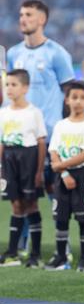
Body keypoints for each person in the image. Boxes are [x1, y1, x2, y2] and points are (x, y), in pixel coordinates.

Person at [6, 0, 75, 256]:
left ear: (42, 19)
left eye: (29, 14)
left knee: (54, 192)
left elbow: (70, 94)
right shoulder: (13, 53)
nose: (23, 18)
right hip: (21, 138)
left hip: (49, 134)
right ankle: (23, 247)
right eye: (21, 14)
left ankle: (63, 247)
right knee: (22, 196)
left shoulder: (57, 53)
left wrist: (64, 130)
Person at [45, 81, 84, 272]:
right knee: (61, 219)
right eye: (74, 97)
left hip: (82, 175)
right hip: (62, 177)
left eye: (83, 98)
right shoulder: (61, 125)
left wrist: (59, 166)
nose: (78, 102)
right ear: (67, 100)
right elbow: (54, 151)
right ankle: (60, 256)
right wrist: (63, 172)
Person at [0, 69, 47, 267]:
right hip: (9, 160)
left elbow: (41, 143)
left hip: (28, 158)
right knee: (16, 205)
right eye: (7, 85)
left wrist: (39, 171)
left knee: (31, 205)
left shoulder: (33, 113)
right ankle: (13, 252)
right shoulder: (3, 112)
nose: (9, 89)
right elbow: (1, 142)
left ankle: (35, 254)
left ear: (25, 88)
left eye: (13, 85)